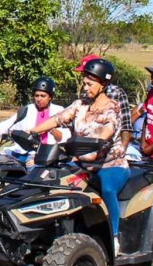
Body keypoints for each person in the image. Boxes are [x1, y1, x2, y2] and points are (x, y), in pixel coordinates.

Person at [26, 58, 129, 251]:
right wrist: (33, 131)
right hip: (81, 162)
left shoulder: (112, 107)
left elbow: (109, 129)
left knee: (107, 189)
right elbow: (57, 119)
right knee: (52, 181)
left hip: (109, 165)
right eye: (84, 83)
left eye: (90, 84)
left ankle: (113, 236)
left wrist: (96, 142)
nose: (85, 87)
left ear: (103, 84)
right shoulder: (80, 104)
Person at [0, 76, 65, 159]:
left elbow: (61, 137)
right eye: (36, 95)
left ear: (50, 97)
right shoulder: (27, 109)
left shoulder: (59, 112)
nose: (39, 99)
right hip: (22, 152)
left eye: (43, 96)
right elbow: (7, 125)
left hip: (46, 154)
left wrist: (50, 128)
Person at [77, 53, 134, 151]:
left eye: (87, 73)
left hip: (108, 149)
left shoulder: (117, 93)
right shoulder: (86, 94)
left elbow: (126, 126)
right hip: (86, 147)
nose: (84, 76)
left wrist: (122, 148)